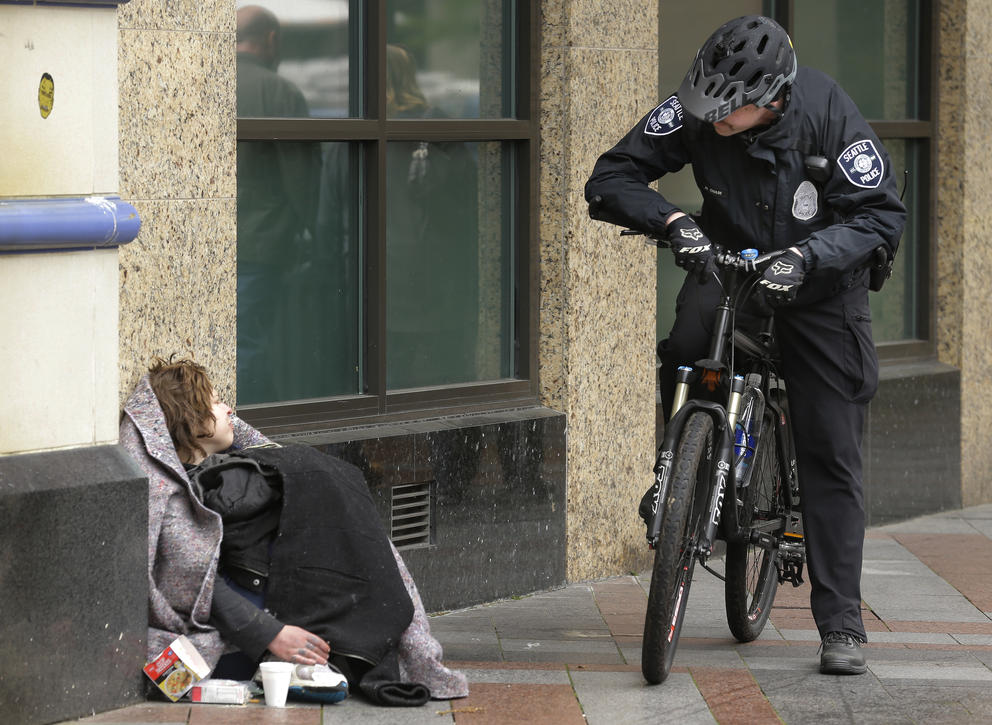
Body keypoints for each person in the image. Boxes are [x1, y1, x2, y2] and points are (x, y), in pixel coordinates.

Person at [585, 15, 905, 676]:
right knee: (682, 347)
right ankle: (678, 471)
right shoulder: (700, 107)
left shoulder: (828, 115)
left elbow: (880, 213)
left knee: (830, 444)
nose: (710, 124)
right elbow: (610, 177)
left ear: (771, 99)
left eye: (725, 117)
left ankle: (841, 621)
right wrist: (674, 222)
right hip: (732, 264)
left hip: (821, 289)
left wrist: (810, 256)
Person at [120, 356, 469, 705]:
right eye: (215, 401)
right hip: (245, 631)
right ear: (193, 423)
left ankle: (338, 656)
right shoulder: (176, 497)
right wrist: (272, 634)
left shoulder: (251, 465)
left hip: (297, 613)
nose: (229, 410)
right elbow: (196, 579)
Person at [235, 5, 322, 403]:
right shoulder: (281, 92)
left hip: (216, 245)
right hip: (265, 244)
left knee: (238, 339)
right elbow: (303, 181)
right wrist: (319, 237)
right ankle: (259, 431)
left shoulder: (211, 83)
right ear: (271, 39)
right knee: (250, 341)